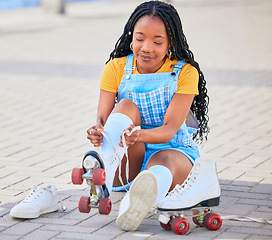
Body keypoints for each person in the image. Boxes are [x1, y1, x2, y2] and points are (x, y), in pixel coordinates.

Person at [85, 0, 215, 231]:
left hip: (173, 151)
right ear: (131, 36)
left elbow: (170, 129)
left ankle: (133, 205)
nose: (146, 47)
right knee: (125, 104)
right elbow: (103, 122)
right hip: (126, 160)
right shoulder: (115, 68)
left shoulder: (185, 72)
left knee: (161, 162)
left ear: (171, 42)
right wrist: (98, 133)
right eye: (139, 38)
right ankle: (104, 167)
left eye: (158, 41)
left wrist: (140, 135)